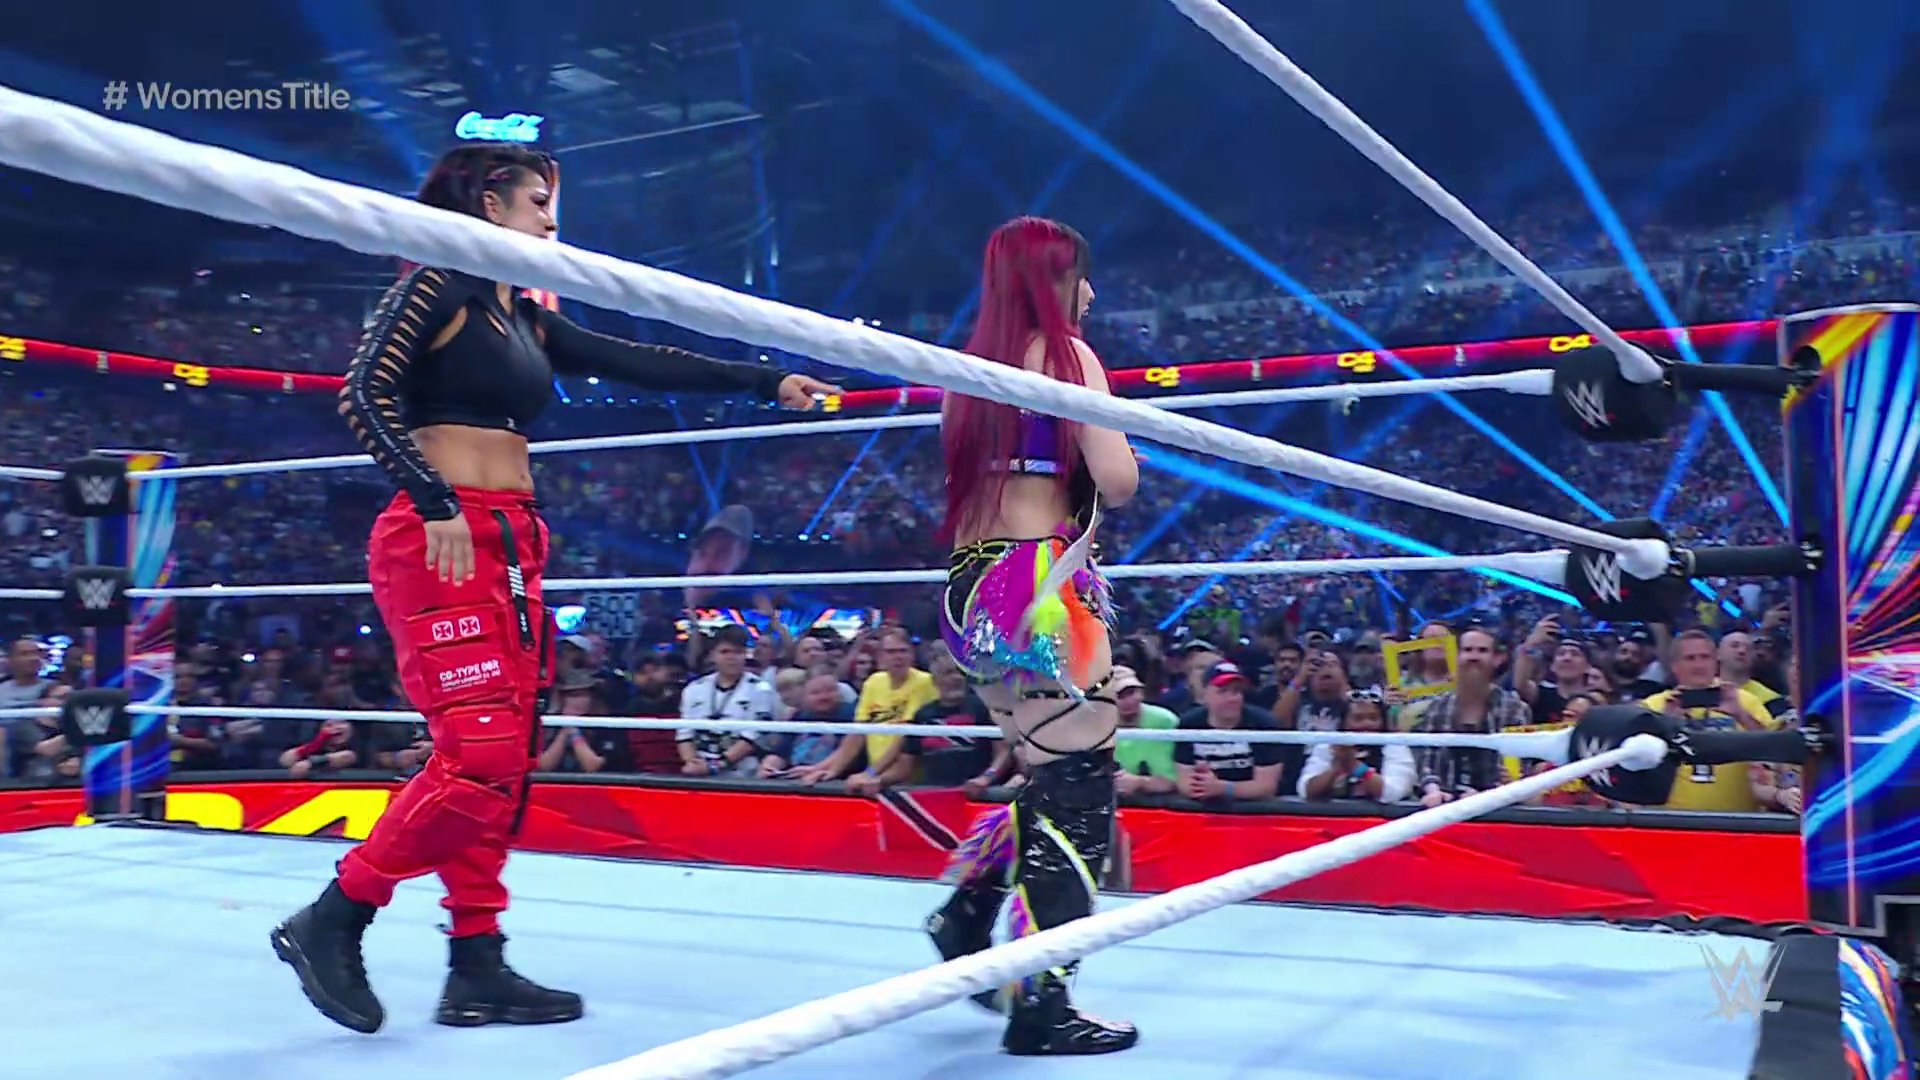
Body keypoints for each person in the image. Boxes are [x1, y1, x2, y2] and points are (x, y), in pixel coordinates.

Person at [269, 141, 837, 1036]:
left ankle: (476, 963)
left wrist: (768, 380)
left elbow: (644, 359)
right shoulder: (438, 283)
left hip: (512, 537)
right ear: (488, 205)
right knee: (480, 755)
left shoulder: (522, 316)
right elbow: (362, 394)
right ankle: (336, 916)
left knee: (504, 760)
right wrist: (434, 499)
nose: (551, 220)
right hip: (442, 535)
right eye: (537, 201)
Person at [925, 216, 1140, 1056]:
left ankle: (967, 912)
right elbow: (1118, 480)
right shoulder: (1069, 358)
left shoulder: (964, 371)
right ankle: (1042, 1003)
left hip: (967, 588)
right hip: (1037, 588)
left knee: (1054, 775)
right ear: (1051, 282)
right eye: (1079, 277)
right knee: (1080, 785)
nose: (1090, 293)